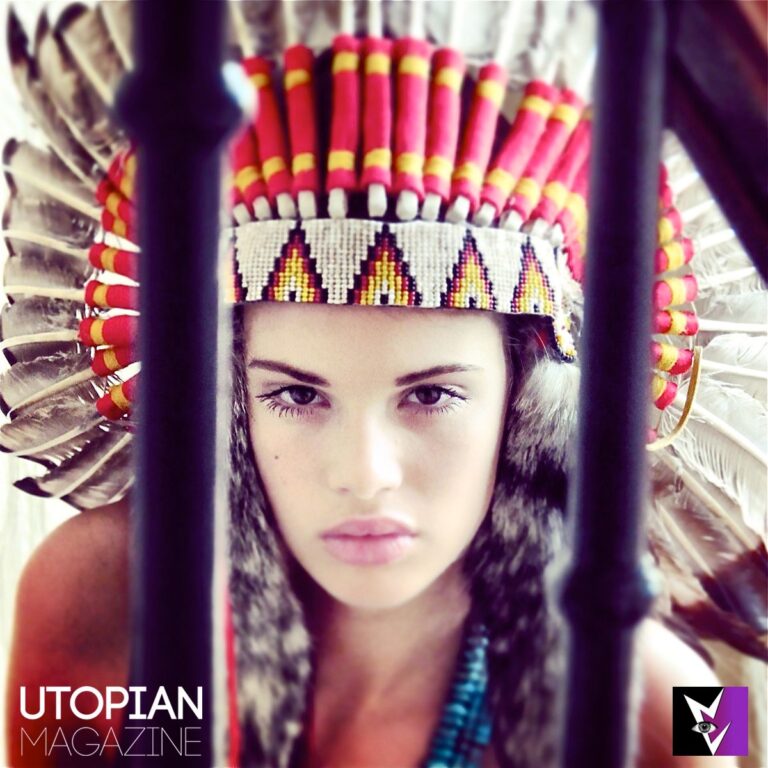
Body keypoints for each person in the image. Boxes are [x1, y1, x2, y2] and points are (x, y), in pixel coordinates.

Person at [2, 2, 763, 767]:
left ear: (526, 401)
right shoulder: (97, 593)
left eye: (431, 395)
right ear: (232, 400)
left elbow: (728, 740)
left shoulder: (690, 702)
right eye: (297, 395)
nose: (364, 474)